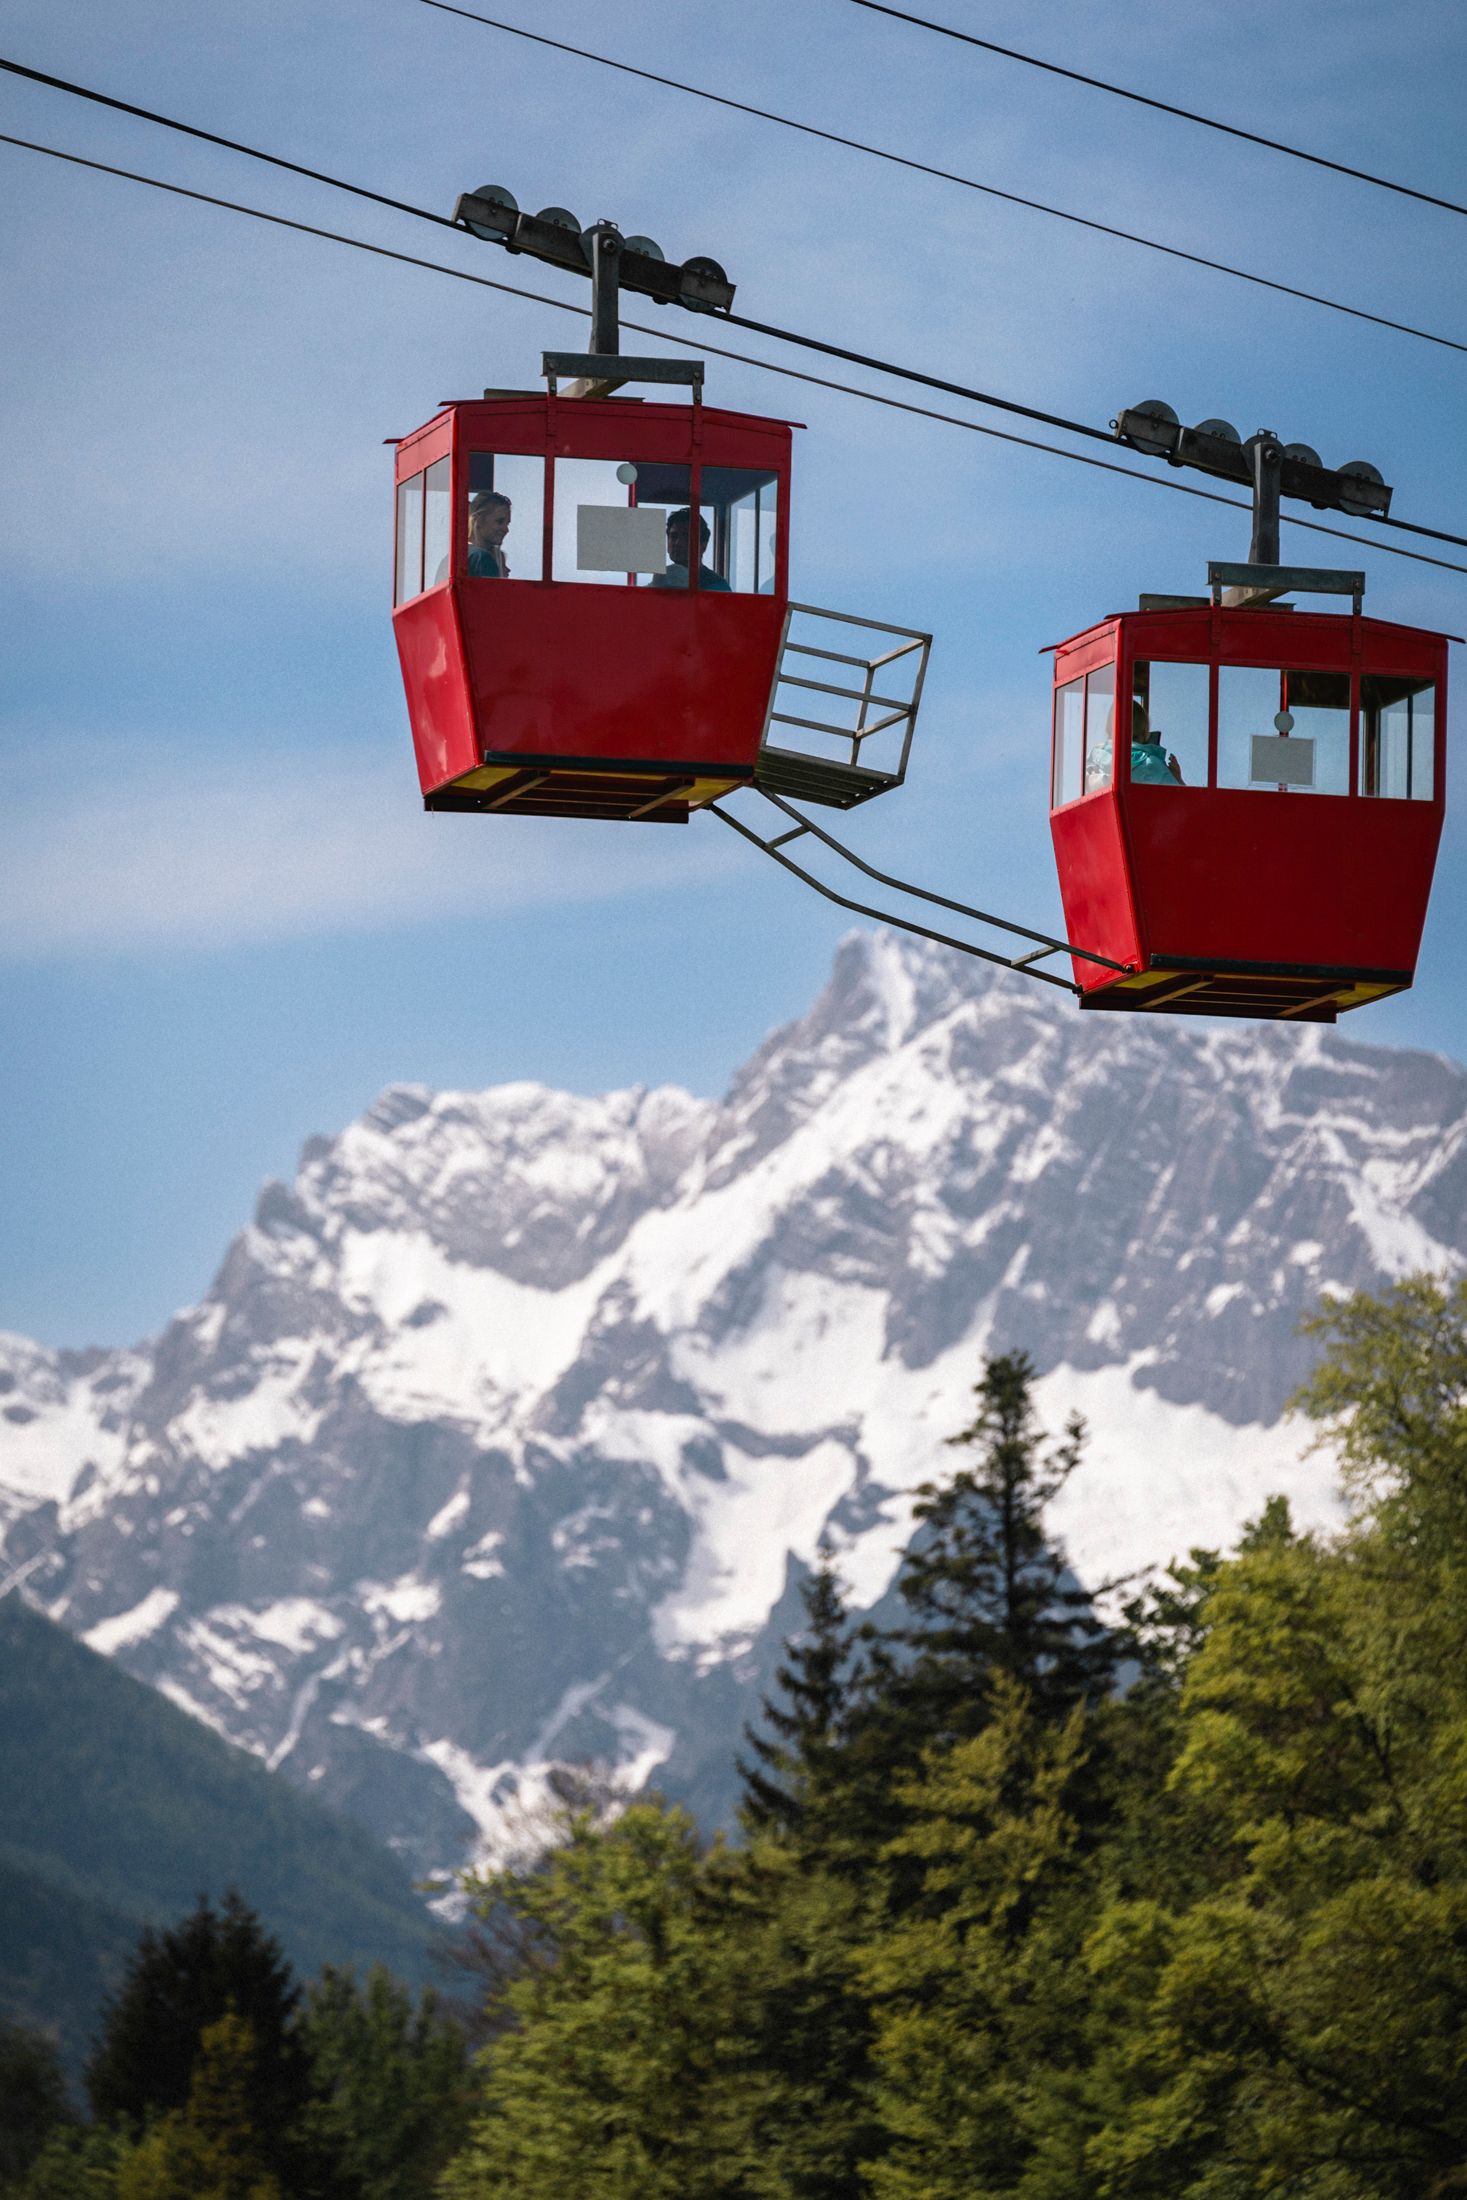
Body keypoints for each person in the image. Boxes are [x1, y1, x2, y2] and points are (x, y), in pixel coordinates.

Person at [437, 490, 512, 582]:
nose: (506, 529)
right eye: (499, 521)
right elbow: (493, 595)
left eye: (507, 524)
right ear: (479, 520)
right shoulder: (482, 558)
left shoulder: (448, 561)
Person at [650, 507, 731, 592]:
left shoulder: (717, 585)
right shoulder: (664, 579)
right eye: (673, 536)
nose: (678, 543)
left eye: (686, 537)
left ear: (703, 545)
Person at [1129, 698, 1183, 784]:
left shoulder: (1103, 762)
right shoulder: (1151, 765)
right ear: (1144, 734)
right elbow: (1182, 796)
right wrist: (1177, 778)